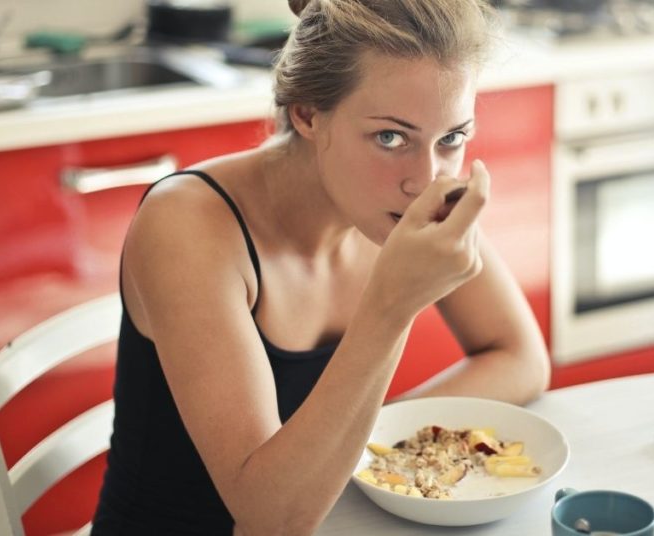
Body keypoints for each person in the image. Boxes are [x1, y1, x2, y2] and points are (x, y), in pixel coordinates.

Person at [91, 0, 551, 534]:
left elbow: (520, 357)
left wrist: (365, 442)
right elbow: (268, 518)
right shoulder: (188, 226)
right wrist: (391, 308)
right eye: (390, 137)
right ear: (307, 114)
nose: (427, 179)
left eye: (450, 138)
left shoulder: (403, 200)